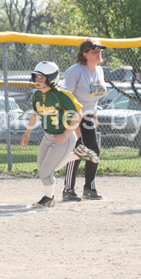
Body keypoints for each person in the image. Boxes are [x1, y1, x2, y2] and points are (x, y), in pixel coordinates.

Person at [20, 61, 99, 208]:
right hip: (48, 136)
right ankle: (76, 155)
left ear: (51, 80)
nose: (38, 81)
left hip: (64, 138)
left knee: (46, 172)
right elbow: (35, 114)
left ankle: (48, 199)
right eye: (36, 77)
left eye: (42, 78)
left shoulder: (61, 95)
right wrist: (27, 133)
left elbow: (78, 114)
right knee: (43, 168)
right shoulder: (37, 95)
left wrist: (65, 135)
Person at [59, 38, 107, 201]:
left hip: (87, 116)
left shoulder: (99, 70)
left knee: (93, 150)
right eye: (94, 51)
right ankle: (68, 190)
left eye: (99, 51)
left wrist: (94, 115)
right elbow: (66, 97)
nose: (98, 53)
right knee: (77, 150)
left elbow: (94, 96)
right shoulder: (74, 71)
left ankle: (89, 188)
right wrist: (74, 124)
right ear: (85, 54)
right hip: (73, 115)